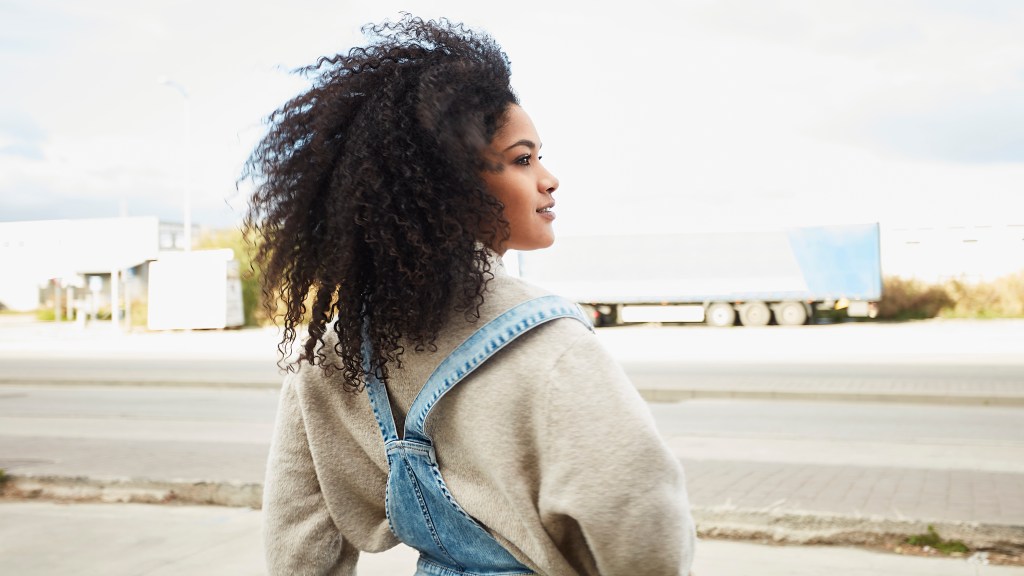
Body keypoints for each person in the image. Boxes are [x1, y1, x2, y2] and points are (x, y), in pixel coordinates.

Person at [244, 15, 696, 576]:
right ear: (451, 184)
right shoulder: (552, 351)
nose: (550, 178)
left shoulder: (331, 361)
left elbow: (298, 545)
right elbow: (641, 527)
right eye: (524, 159)